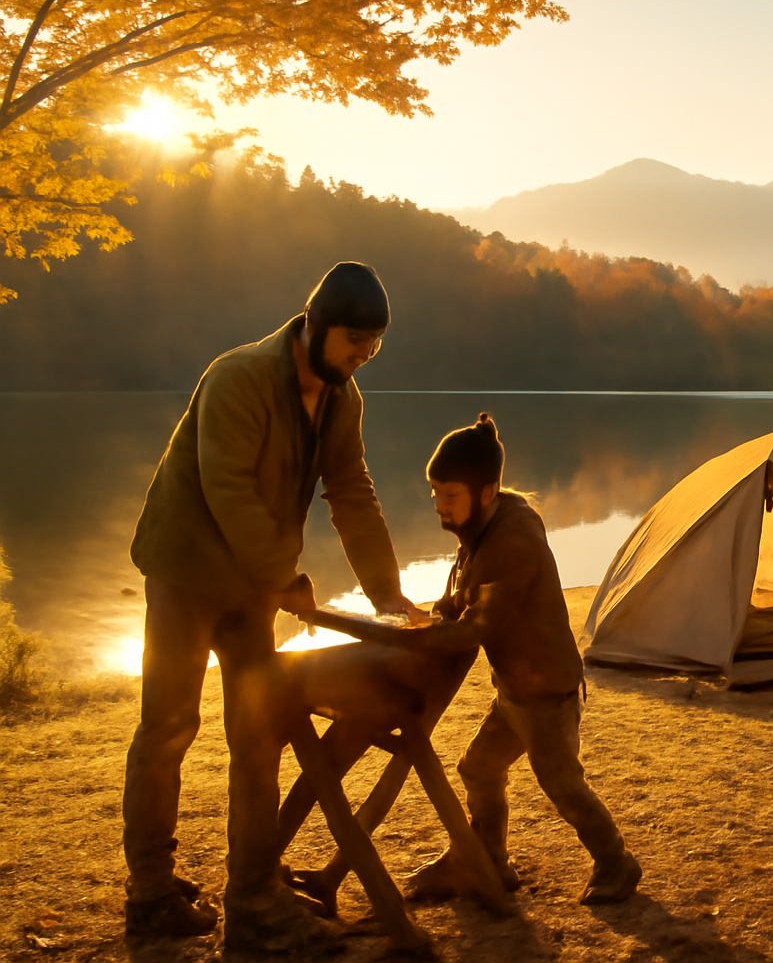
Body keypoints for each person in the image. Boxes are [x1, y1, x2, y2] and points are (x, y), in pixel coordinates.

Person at [123, 262, 424, 948]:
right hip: (186, 570)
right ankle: (149, 894)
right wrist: (284, 576)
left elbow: (352, 491)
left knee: (258, 733)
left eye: (374, 344)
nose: (363, 356)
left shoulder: (344, 401)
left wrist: (385, 592)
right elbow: (226, 486)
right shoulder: (239, 377)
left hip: (252, 583)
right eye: (354, 340)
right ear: (314, 324)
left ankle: (253, 898)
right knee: (168, 728)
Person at [404, 413, 641, 906]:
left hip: (546, 692)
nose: (438, 507)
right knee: (479, 767)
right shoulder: (487, 525)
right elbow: (467, 589)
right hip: (516, 689)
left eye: (449, 496)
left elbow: (479, 624)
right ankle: (486, 858)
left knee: (561, 784)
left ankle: (617, 862)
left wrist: (426, 639)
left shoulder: (512, 538)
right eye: (435, 494)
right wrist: (436, 612)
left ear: (486, 491)